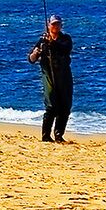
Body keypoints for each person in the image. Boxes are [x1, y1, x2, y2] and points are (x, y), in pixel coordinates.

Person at [29, 14, 75, 142]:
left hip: (64, 76)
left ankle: (59, 135)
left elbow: (65, 50)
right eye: (53, 24)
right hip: (48, 75)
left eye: (58, 24)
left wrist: (52, 43)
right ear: (48, 25)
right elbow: (31, 59)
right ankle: (45, 136)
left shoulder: (66, 39)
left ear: (61, 25)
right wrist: (36, 52)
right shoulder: (42, 40)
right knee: (51, 106)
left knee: (65, 106)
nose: (56, 26)